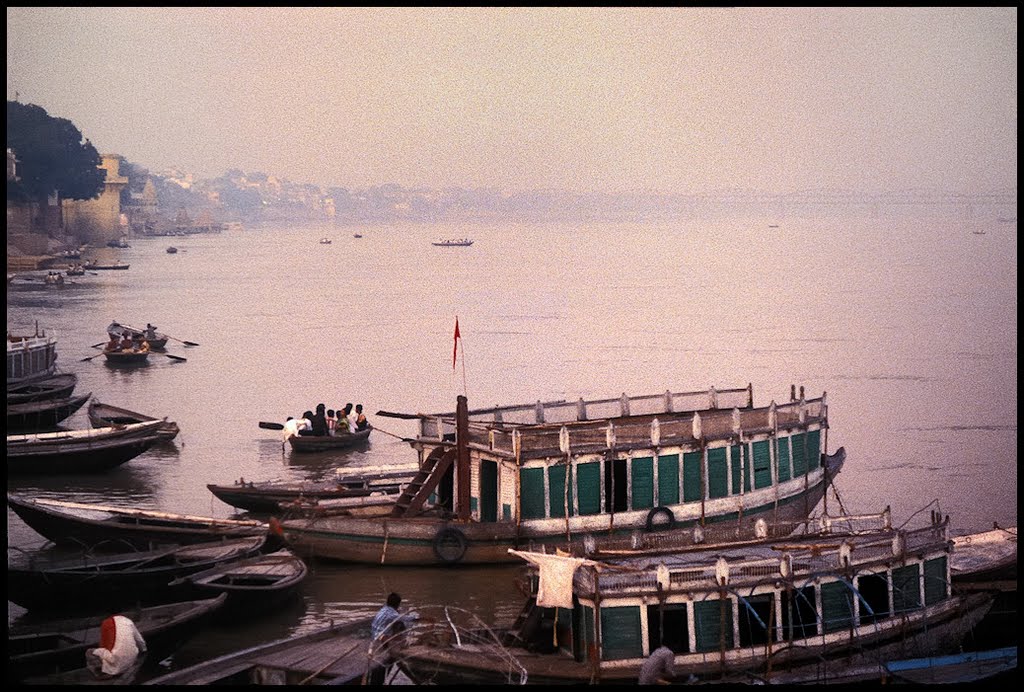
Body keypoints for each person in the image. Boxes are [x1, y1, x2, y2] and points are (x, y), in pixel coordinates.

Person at [367, 592, 420, 685]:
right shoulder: (392, 614)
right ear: (398, 604)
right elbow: (406, 618)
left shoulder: (384, 609)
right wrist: (419, 618)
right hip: (379, 638)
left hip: (373, 634)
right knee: (402, 625)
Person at [85, 614, 147, 678]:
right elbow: (139, 640)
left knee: (89, 652)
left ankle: (102, 673)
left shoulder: (106, 622)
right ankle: (117, 668)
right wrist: (144, 649)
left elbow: (103, 644)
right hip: (131, 661)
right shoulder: (128, 621)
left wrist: (103, 657)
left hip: (116, 660)